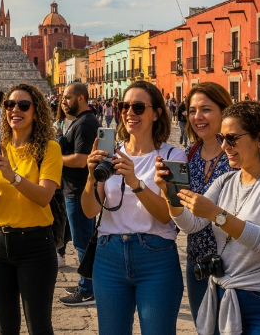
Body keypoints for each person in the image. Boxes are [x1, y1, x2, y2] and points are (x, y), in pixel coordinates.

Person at [167, 100, 260, 335]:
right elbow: (193, 225)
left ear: (259, 138)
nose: (224, 146)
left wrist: (216, 214)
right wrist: (170, 194)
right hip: (227, 295)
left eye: (232, 138)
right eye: (222, 138)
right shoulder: (226, 181)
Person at [82, 81, 185, 335]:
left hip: (156, 257)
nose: (129, 112)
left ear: (156, 113)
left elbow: (167, 216)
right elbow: (89, 211)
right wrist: (91, 175)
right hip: (109, 256)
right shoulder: (110, 155)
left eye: (138, 107)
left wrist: (135, 183)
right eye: (124, 106)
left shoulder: (173, 157)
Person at [0, 83, 62, 335]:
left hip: (35, 244)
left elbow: (44, 196)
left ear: (36, 111)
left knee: (39, 327)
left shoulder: (49, 148)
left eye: (23, 105)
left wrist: (12, 177)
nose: (15, 110)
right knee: (5, 327)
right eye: (10, 105)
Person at [158, 82, 235, 326]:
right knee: (203, 328)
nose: (197, 117)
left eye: (206, 109)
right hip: (198, 262)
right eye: (192, 111)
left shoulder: (236, 154)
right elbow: (180, 208)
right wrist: (167, 190)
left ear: (224, 111)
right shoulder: (190, 152)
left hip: (233, 265)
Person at [57, 82, 100, 306]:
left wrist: (54, 158)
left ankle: (88, 290)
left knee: (82, 242)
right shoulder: (80, 121)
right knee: (83, 239)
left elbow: (81, 159)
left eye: (67, 97)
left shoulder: (84, 124)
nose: (63, 101)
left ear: (81, 98)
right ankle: (88, 284)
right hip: (75, 189)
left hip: (79, 191)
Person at [53, 100, 74, 268]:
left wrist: (60, 137)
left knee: (65, 217)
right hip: (56, 175)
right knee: (58, 215)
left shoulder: (77, 124)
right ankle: (58, 251)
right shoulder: (56, 124)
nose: (65, 105)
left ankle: (61, 252)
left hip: (70, 177)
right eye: (63, 103)